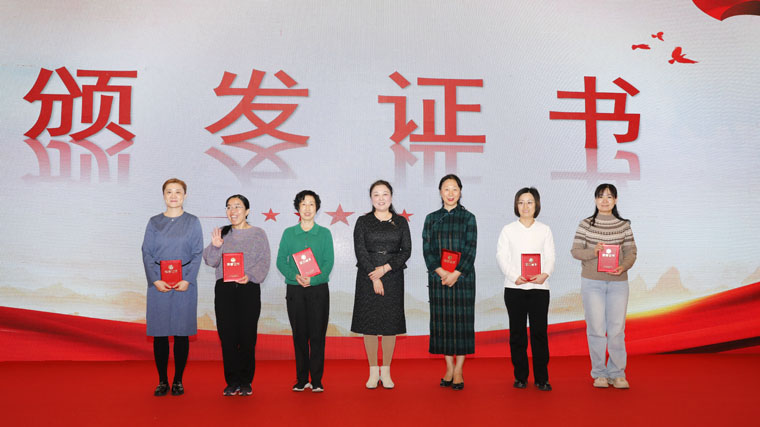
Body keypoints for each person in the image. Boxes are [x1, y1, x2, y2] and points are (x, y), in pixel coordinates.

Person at [571, 183, 637, 389]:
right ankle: (599, 373)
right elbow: (575, 251)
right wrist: (594, 252)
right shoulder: (585, 225)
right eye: (600, 196)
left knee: (617, 329)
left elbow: (631, 252)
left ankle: (617, 373)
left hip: (618, 283)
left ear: (615, 200)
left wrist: (623, 266)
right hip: (592, 283)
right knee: (596, 329)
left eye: (609, 196)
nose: (605, 200)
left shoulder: (624, 225)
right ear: (595, 200)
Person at [203, 194, 270, 396]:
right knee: (228, 336)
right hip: (224, 290)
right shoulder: (222, 233)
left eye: (238, 206)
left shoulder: (258, 233)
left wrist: (250, 276)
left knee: (247, 336)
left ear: (247, 211)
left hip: (248, 288)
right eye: (229, 207)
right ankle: (232, 381)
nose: (233, 211)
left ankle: (246, 381)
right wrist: (215, 246)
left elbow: (264, 261)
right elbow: (210, 261)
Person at [141, 178, 203, 397]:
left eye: (178, 192)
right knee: (160, 334)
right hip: (159, 284)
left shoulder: (193, 222)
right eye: (169, 192)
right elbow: (146, 252)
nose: (173, 196)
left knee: (181, 333)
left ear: (185, 195)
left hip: (184, 284)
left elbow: (197, 252)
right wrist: (155, 279)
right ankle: (162, 381)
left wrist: (187, 279)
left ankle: (178, 380)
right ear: (164, 196)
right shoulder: (154, 222)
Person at [350, 180, 412, 389]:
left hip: (392, 276)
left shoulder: (400, 222)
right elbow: (360, 250)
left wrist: (385, 269)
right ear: (371, 198)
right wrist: (374, 276)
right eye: (376, 194)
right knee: (369, 323)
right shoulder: (363, 221)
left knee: (389, 324)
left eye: (385, 194)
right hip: (367, 276)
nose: (381, 198)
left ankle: (385, 371)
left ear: (391, 197)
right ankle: (372, 371)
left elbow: (406, 251)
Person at [496, 187, 555, 391]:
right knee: (517, 334)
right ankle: (520, 376)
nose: (525, 206)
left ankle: (542, 378)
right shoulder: (508, 230)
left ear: (536, 205)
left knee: (539, 334)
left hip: (540, 288)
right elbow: (501, 257)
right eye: (521, 202)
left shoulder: (544, 230)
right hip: (514, 288)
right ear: (516, 205)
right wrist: (514, 276)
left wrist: (545, 274)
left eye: (530, 202)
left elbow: (550, 257)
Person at [422, 174, 477, 390]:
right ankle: (448, 367)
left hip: (463, 278)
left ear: (460, 192)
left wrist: (456, 273)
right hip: (439, 279)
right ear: (440, 192)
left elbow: (471, 249)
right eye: (446, 189)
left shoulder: (469, 218)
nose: (451, 193)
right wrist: (441, 271)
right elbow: (427, 249)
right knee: (442, 323)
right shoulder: (431, 218)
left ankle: (459, 370)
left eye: (455, 189)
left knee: (462, 324)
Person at [276, 190, 334, 393]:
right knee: (299, 335)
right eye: (303, 204)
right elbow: (281, 261)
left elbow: (328, 262)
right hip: (295, 290)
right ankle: (301, 379)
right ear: (297, 208)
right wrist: (295, 276)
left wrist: (314, 279)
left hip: (318, 290)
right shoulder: (288, 233)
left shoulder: (324, 233)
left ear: (317, 208)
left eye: (311, 204)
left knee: (317, 335)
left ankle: (316, 380)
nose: (307, 208)